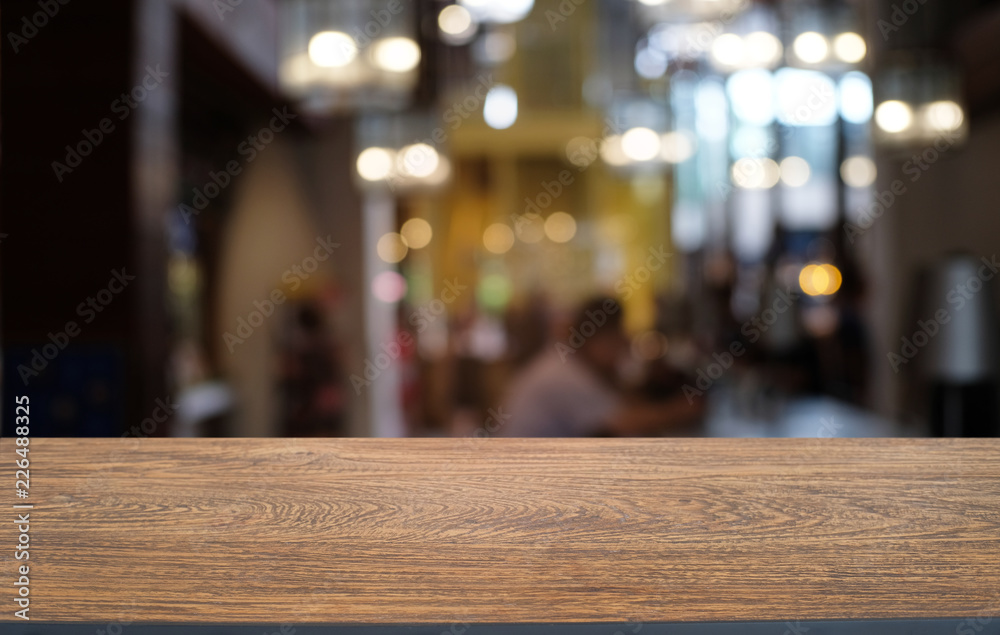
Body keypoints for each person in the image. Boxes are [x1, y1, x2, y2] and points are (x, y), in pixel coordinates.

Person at [501, 296, 702, 437]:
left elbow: (619, 404)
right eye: (618, 338)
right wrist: (682, 410)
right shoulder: (563, 374)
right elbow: (621, 424)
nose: (625, 344)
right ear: (599, 341)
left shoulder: (568, 363)